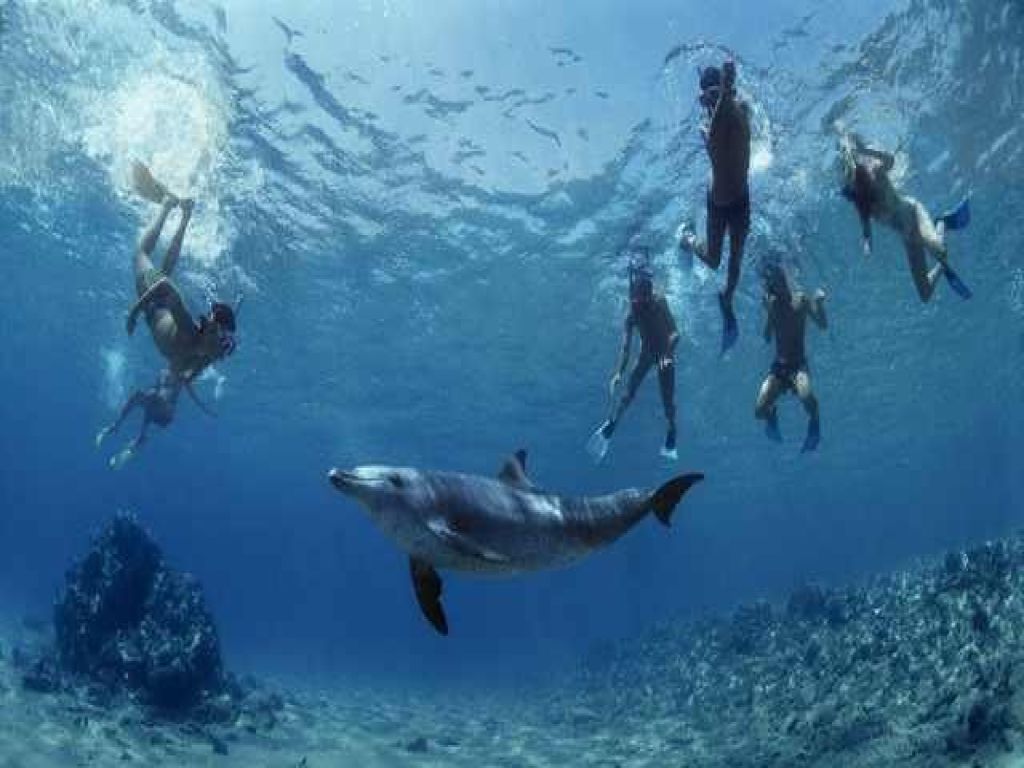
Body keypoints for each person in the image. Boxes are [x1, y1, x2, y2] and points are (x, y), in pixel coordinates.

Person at [127, 162, 238, 382]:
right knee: (140, 254)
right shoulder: (188, 328)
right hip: (152, 296)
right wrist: (133, 312)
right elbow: (168, 289)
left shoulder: (206, 355)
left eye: (225, 350)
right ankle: (166, 207)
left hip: (158, 302)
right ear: (212, 330)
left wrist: (187, 377)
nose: (222, 356)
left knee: (166, 271)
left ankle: (185, 215)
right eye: (223, 346)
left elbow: (191, 367)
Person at [838, 132, 972, 302]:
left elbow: (890, 160)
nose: (854, 185)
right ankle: (942, 263)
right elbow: (866, 231)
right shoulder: (862, 204)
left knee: (937, 249)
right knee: (925, 294)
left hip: (914, 215)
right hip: (908, 237)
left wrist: (865, 150)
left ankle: (942, 224)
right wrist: (866, 245)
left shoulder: (877, 174)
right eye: (851, 184)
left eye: (853, 178)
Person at [678, 59, 752, 352]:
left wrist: (728, 91)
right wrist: (723, 91)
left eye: (715, 92)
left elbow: (740, 119)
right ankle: (687, 238)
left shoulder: (739, 108)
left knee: (735, 263)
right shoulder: (705, 126)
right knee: (712, 260)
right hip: (718, 203)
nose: (713, 97)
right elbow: (718, 138)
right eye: (708, 94)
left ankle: (727, 299)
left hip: (742, 200)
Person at [588, 262, 680, 462]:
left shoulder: (661, 302)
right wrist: (618, 373)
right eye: (638, 300)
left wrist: (667, 353)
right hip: (646, 354)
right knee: (628, 394)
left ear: (650, 295)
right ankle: (612, 424)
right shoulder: (631, 314)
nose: (641, 304)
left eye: (645, 299)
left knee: (668, 401)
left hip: (665, 353)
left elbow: (675, 333)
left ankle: (671, 432)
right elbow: (625, 348)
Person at [753, 264, 826, 452]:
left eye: (782, 278)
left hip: (798, 365)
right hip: (779, 367)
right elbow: (767, 337)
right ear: (772, 287)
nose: (782, 283)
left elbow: (822, 325)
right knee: (759, 411)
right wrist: (768, 313)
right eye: (776, 282)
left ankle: (815, 425)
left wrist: (819, 304)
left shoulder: (801, 300)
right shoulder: (773, 305)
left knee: (807, 397)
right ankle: (771, 415)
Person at [95, 369, 214, 469]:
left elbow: (192, 393)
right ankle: (124, 431)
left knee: (148, 397)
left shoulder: (181, 376)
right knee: (145, 397)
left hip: (165, 414)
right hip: (159, 409)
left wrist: (204, 408)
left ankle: (132, 436)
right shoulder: (165, 373)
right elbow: (155, 392)